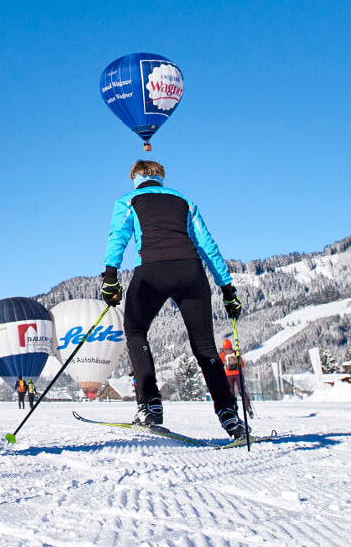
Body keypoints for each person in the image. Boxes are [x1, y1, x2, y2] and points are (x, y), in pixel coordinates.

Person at [100, 160, 248, 442]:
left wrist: (110, 275)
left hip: (153, 270)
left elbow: (118, 236)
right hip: (190, 271)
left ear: (135, 178)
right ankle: (229, 415)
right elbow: (208, 245)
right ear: (161, 177)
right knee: (205, 347)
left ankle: (150, 405)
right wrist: (227, 288)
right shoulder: (185, 201)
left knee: (135, 331)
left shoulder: (128, 200)